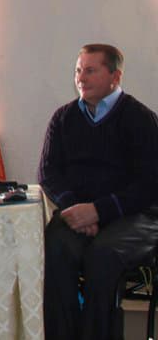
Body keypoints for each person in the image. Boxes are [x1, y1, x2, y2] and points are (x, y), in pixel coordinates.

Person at [39, 44, 158, 340]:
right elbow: (48, 172)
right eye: (78, 70)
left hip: (135, 217)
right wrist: (75, 209)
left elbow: (149, 184)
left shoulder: (140, 118)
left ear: (115, 77)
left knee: (102, 256)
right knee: (55, 247)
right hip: (78, 211)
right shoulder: (63, 118)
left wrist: (98, 211)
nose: (81, 78)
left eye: (90, 70)